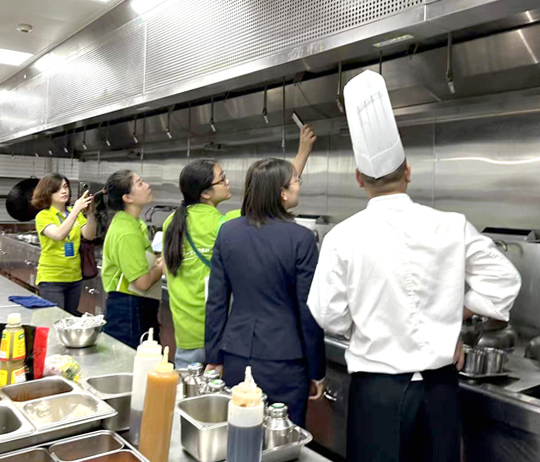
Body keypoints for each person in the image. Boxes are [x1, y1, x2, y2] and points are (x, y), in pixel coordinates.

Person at [307, 70, 522, 462]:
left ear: (358, 179)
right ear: (408, 171)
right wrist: (457, 312)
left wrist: (368, 318)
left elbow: (328, 316)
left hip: (378, 393)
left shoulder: (342, 237)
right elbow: (504, 281)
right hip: (440, 392)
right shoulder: (452, 226)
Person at [163, 126, 317, 368]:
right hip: (216, 333)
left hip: (184, 333)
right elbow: (271, 196)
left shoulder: (171, 222)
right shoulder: (226, 224)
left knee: (186, 391)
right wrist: (303, 152)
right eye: (222, 178)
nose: (228, 182)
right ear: (205, 193)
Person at [204, 156, 326, 427]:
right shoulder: (301, 239)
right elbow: (308, 311)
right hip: (285, 361)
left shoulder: (228, 233)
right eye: (296, 181)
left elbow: (216, 302)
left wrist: (213, 356)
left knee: (240, 433)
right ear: (282, 193)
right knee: (282, 437)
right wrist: (317, 369)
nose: (299, 186)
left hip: (236, 355)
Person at [94, 170, 164, 349]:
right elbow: (142, 282)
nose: (147, 185)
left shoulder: (133, 223)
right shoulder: (126, 232)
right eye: (140, 183)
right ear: (127, 197)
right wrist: (164, 264)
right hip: (129, 311)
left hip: (137, 308)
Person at [32, 173, 96, 316]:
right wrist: (76, 210)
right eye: (57, 189)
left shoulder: (73, 213)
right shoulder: (43, 216)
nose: (64, 191)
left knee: (70, 318)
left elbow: (89, 235)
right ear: (47, 192)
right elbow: (58, 234)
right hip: (51, 279)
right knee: (54, 320)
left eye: (66, 187)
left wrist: (90, 214)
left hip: (74, 278)